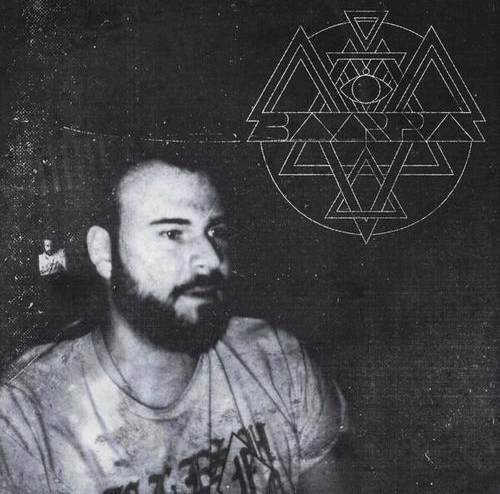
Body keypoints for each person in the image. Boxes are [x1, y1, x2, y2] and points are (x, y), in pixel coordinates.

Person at [0, 156, 349, 494]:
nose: (211, 258)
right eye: (172, 233)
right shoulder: (25, 419)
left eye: (216, 231)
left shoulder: (278, 360)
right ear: (104, 252)